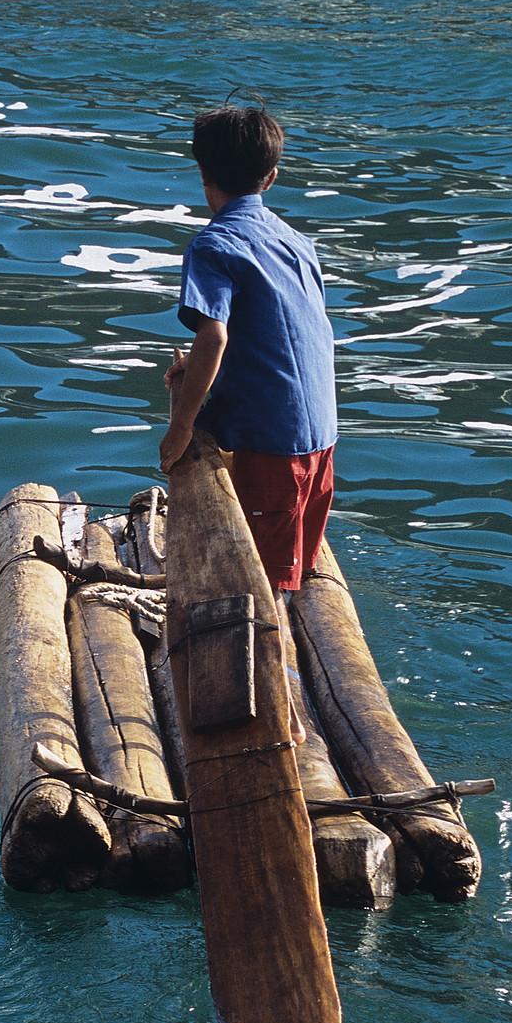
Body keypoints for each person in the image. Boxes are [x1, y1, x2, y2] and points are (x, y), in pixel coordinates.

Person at [160, 104, 337, 741]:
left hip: (273, 445)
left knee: (261, 594)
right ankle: (292, 697)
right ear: (273, 175)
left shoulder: (213, 243)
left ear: (202, 174)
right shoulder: (295, 241)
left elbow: (214, 337)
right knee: (287, 576)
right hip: (318, 436)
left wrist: (181, 428)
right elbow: (288, 339)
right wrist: (204, 396)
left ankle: (279, 728)